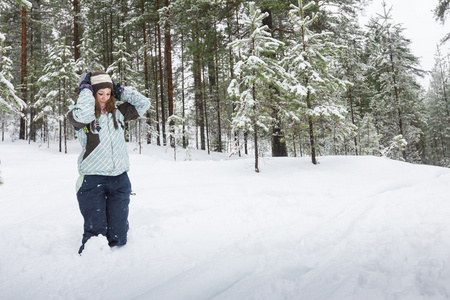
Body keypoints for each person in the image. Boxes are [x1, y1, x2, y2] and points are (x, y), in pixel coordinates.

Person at [67, 71, 150, 254]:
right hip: (92, 179)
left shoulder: (118, 112)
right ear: (91, 93)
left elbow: (145, 103)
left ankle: (118, 262)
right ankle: (92, 264)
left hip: (119, 178)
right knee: (95, 236)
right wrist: (86, 91)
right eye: (99, 93)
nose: (104, 97)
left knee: (118, 237)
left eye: (108, 93)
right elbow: (85, 113)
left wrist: (122, 91)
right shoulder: (79, 114)